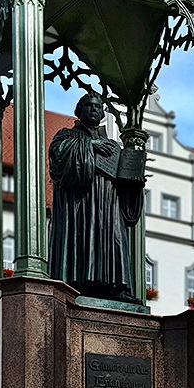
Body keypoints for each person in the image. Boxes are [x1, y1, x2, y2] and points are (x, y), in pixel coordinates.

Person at [48, 92, 143, 301]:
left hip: (108, 203)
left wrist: (134, 184)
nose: (93, 109)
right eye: (89, 105)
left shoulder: (113, 145)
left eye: (98, 107)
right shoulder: (67, 135)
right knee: (83, 238)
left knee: (113, 239)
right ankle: (77, 284)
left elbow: (124, 182)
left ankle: (116, 287)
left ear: (102, 113)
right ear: (79, 110)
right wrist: (90, 146)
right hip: (81, 202)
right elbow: (57, 157)